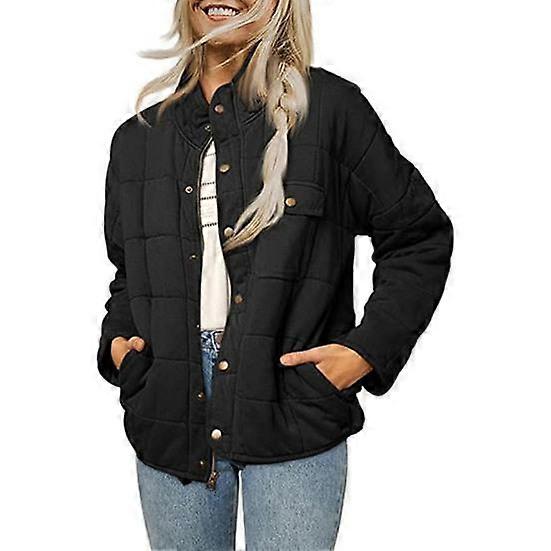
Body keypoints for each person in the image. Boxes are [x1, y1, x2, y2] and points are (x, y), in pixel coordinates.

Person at [97, 0, 453, 549]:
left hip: (294, 404)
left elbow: (417, 235)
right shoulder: (137, 140)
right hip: (169, 411)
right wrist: (121, 346)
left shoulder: (329, 110)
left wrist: (365, 351)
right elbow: (128, 271)